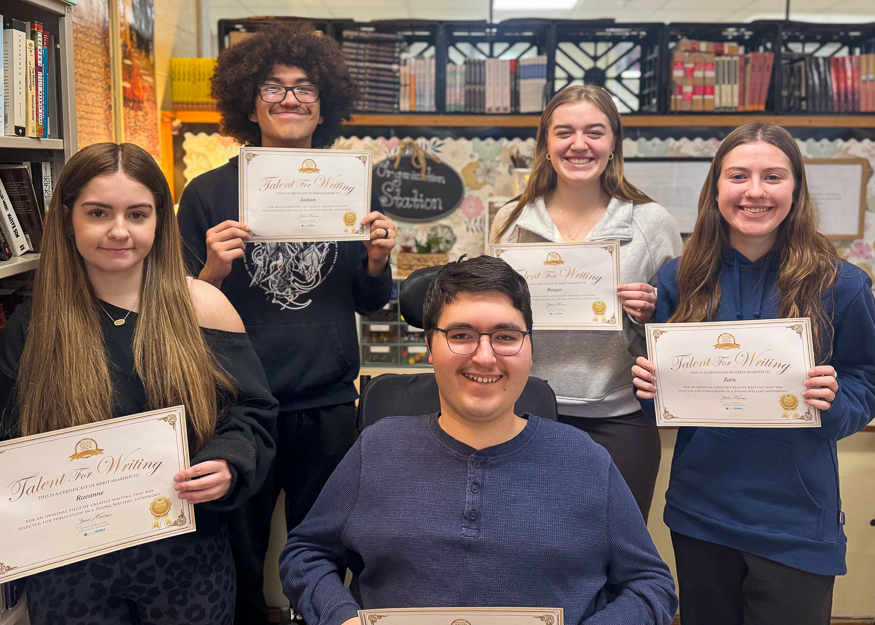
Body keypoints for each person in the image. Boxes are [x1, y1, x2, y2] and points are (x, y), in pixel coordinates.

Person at [280, 255, 678, 625]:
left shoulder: (584, 459)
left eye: (505, 336)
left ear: (529, 348)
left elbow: (651, 585)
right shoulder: (377, 448)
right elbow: (305, 555)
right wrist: (341, 616)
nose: (485, 356)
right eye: (462, 334)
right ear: (430, 348)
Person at [0, 142, 278, 625]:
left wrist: (229, 462)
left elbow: (252, 414)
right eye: (98, 212)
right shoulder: (32, 325)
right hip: (71, 568)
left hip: (185, 558)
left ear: (159, 222)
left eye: (138, 213)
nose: (119, 231)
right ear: (67, 219)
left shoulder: (203, 307)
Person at [176, 22, 396, 624]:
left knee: (325, 551)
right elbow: (179, 314)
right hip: (234, 405)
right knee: (237, 550)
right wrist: (213, 271)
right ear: (250, 101)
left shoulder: (347, 186)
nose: (290, 99)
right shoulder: (205, 195)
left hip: (325, 403)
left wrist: (377, 261)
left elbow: (370, 303)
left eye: (304, 88)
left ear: (323, 103)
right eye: (273, 87)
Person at [632, 122, 875, 625]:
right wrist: (650, 389)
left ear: (796, 189)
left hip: (796, 520)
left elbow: (866, 380)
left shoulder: (842, 283)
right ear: (716, 187)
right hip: (700, 512)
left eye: (773, 176)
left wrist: (836, 404)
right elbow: (662, 395)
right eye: (739, 176)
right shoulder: (679, 278)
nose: (755, 191)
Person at [489, 85, 682, 521]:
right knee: (524, 545)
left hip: (620, 418)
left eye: (594, 132)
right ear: (546, 143)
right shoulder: (510, 221)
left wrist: (655, 313)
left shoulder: (651, 222)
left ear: (614, 143)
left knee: (616, 554)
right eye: (565, 132)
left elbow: (684, 328)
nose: (579, 145)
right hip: (523, 413)